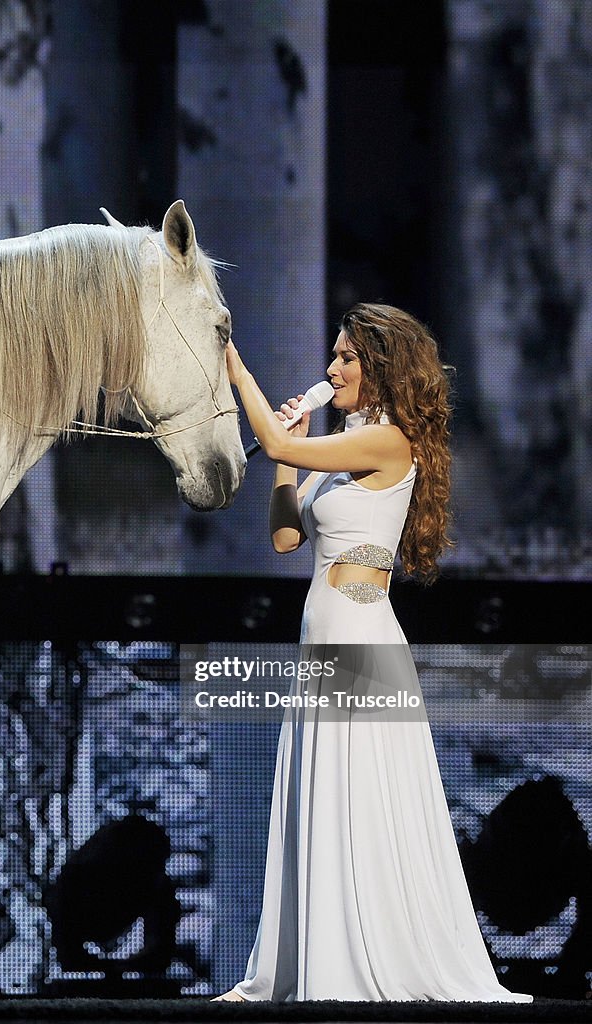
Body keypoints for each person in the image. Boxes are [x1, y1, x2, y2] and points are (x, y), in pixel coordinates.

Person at [216, 303, 532, 1003]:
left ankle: (363, 964)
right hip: (321, 636)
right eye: (333, 357)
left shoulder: (388, 442)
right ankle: (311, 960)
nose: (332, 370)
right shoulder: (342, 447)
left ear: (381, 368)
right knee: (322, 792)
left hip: (358, 635)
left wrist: (235, 368)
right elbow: (287, 539)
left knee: (360, 794)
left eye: (346, 359)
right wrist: (289, 457)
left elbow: (272, 440)